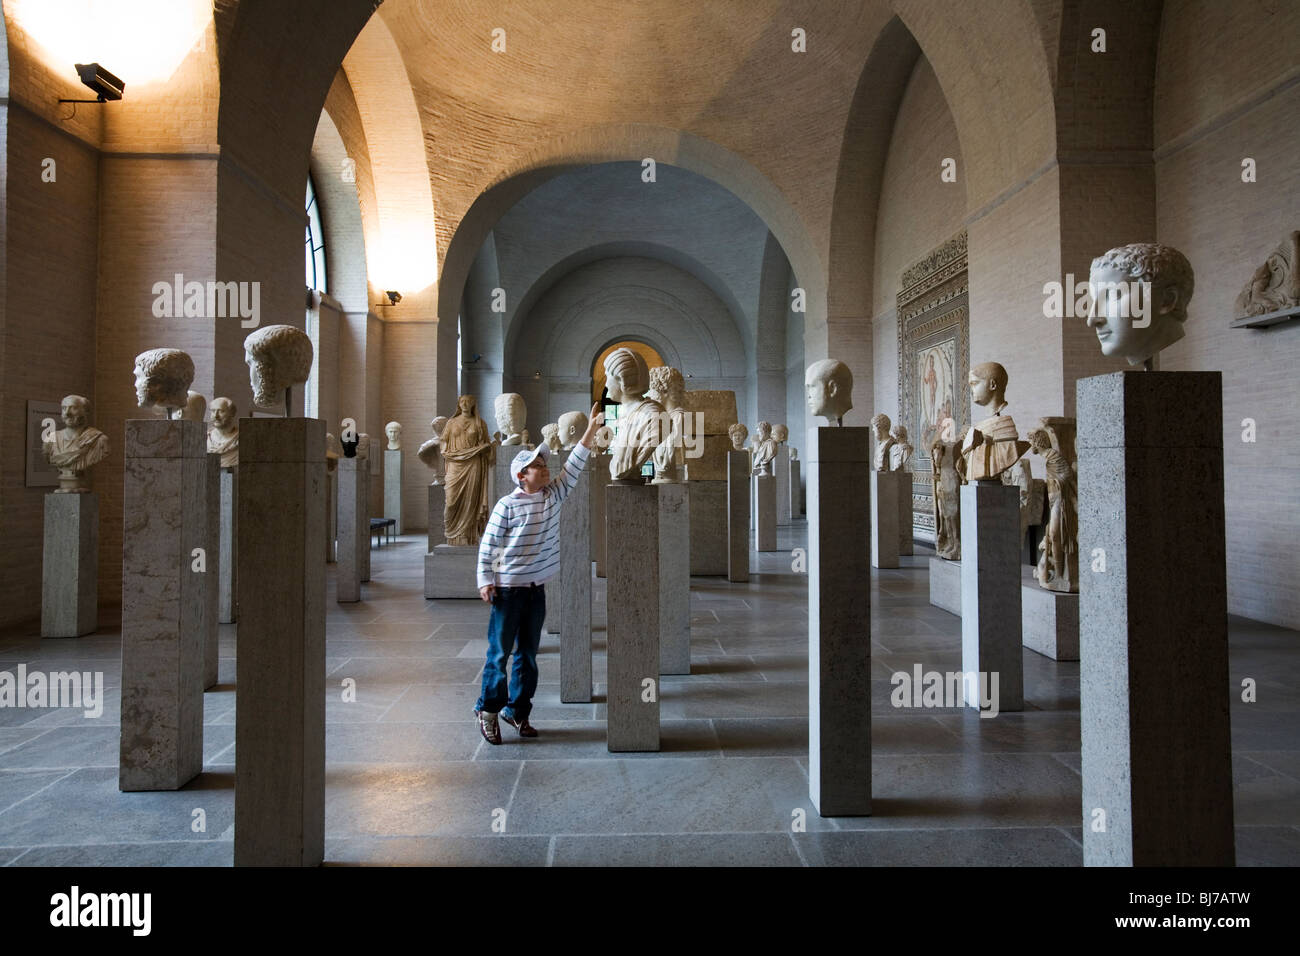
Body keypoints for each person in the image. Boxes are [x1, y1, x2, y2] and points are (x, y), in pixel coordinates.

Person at [473, 401, 605, 744]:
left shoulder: (552, 497)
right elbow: (491, 545)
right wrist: (487, 579)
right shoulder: (507, 505)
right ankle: (487, 710)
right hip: (507, 590)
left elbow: (574, 466)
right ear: (521, 475)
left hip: (535, 590)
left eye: (545, 465)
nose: (545, 469)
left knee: (528, 656)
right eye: (537, 466)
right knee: (499, 654)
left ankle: (518, 711)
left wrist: (590, 430)